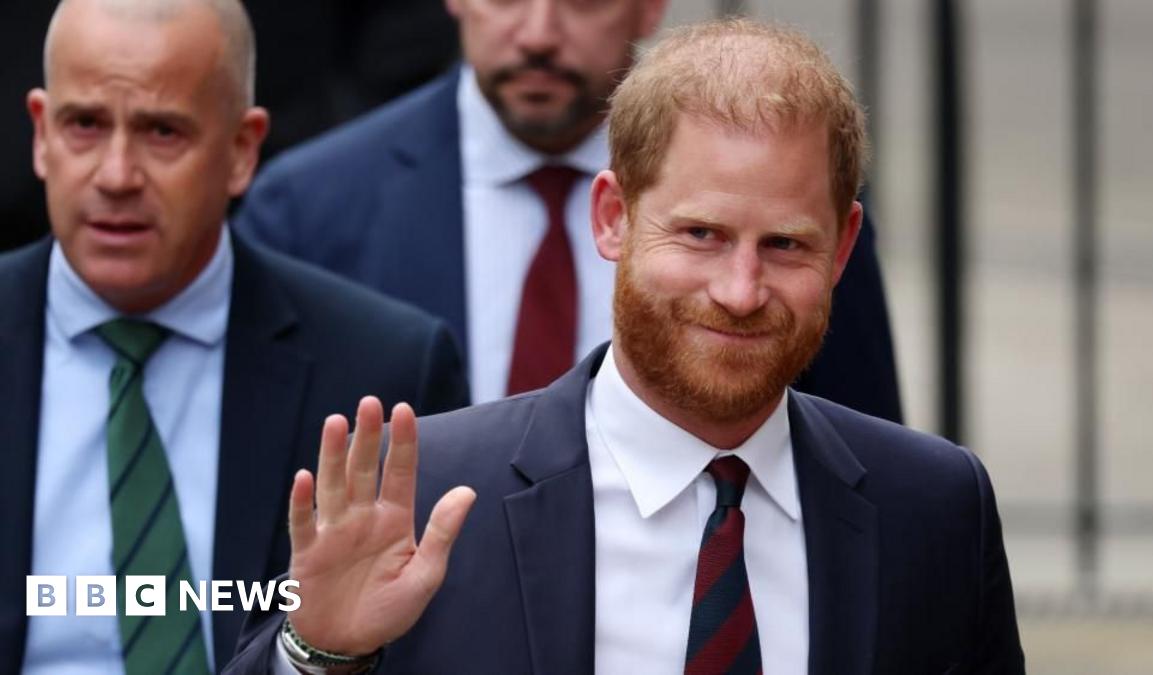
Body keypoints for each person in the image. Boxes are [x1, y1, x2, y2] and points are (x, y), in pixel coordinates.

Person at [228, 19, 1024, 675]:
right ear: (612, 217)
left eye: (784, 244)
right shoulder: (427, 496)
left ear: (844, 246)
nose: (740, 290)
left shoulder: (934, 510)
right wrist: (318, 655)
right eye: (701, 234)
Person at [0, 1, 468, 672]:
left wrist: (316, 653)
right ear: (41, 134)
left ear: (243, 150)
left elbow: (437, 649)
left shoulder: (383, 369)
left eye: (162, 132)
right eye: (85, 125)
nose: (116, 175)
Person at [234, 0, 904, 423]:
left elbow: (858, 472)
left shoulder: (788, 212)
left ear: (649, 8)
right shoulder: (305, 209)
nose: (539, 34)